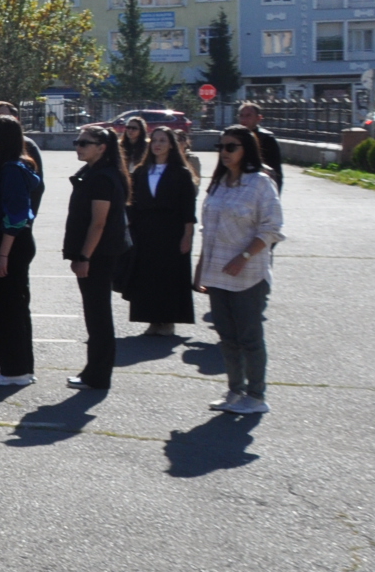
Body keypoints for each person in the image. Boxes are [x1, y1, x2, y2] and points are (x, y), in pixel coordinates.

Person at [195, 126, 283, 416]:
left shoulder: (260, 183)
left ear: (246, 149)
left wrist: (244, 256)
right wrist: (200, 268)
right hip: (217, 273)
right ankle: (235, 391)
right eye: (221, 146)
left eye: (231, 147)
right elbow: (208, 229)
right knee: (227, 337)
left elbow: (271, 228)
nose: (224, 152)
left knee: (249, 338)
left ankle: (256, 395)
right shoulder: (219, 182)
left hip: (248, 275)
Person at [62, 126, 132, 391]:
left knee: (98, 316)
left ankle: (98, 375)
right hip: (98, 254)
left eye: (84, 143)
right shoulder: (94, 172)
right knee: (96, 315)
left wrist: (84, 256)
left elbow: (98, 223)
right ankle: (93, 371)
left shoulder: (102, 177)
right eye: (77, 142)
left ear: (102, 148)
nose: (78, 147)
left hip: (99, 255)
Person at [0, 116, 40, 386]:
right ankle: (18, 367)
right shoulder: (14, 167)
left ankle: (15, 371)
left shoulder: (13, 169)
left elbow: (16, 216)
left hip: (10, 242)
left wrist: (3, 254)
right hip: (11, 241)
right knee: (13, 306)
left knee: (10, 307)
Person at [124, 127, 197, 335]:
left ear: (171, 145)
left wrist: (187, 235)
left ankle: (168, 320)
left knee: (169, 276)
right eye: (154, 140)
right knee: (147, 276)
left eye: (163, 140)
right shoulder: (141, 171)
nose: (157, 144)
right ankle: (152, 320)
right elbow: (132, 203)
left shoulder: (181, 173)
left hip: (171, 231)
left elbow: (187, 209)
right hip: (145, 230)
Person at [235, 102, 284, 191]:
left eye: (248, 116)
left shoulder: (267, 138)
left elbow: (275, 171)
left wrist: (275, 193)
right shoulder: (232, 137)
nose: (244, 119)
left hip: (259, 187)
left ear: (259, 118)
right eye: (241, 116)